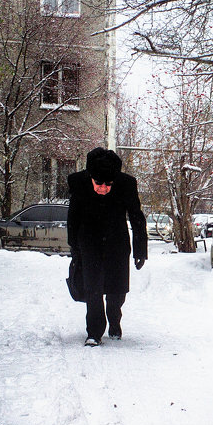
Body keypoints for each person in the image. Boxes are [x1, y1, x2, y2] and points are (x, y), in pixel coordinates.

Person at [67, 147, 148, 346]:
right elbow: (73, 217)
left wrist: (140, 250)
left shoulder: (127, 184)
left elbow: (137, 217)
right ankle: (94, 332)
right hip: (89, 242)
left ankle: (114, 320)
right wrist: (74, 248)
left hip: (117, 243)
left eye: (108, 184)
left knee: (117, 289)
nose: (103, 188)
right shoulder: (78, 183)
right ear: (90, 177)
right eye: (99, 183)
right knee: (92, 288)